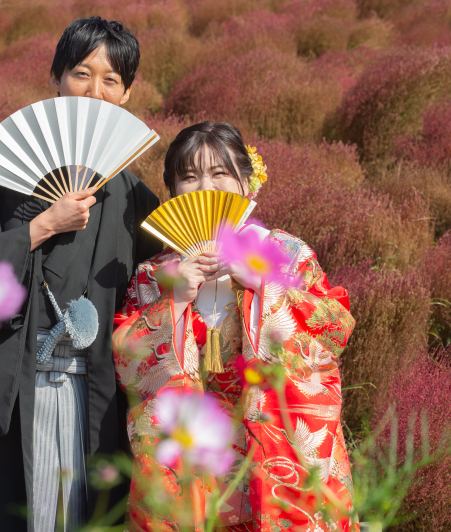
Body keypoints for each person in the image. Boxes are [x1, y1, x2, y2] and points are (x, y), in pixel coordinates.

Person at [0, 17, 162, 532]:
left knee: (90, 512)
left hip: (96, 394)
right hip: (16, 387)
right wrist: (40, 226)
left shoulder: (135, 197)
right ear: (56, 79)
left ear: (127, 93)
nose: (95, 91)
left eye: (112, 80)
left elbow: (155, 289)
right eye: (81, 73)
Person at [112, 122, 357, 531]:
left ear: (246, 182)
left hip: (272, 440)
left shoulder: (286, 254)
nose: (205, 186)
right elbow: (125, 358)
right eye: (189, 177)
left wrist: (265, 285)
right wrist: (173, 301)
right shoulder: (153, 274)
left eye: (219, 173)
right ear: (172, 189)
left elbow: (333, 327)